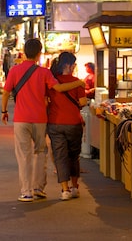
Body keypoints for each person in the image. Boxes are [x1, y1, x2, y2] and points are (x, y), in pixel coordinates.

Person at [1, 38, 85, 202]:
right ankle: (38, 188)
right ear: (39, 54)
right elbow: (59, 88)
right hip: (40, 119)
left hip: (21, 120)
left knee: (23, 156)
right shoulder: (44, 73)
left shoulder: (14, 71)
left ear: (24, 53)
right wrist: (79, 83)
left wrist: (4, 111)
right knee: (40, 153)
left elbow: (6, 93)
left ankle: (26, 192)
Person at [47, 52, 87, 200]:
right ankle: (75, 187)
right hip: (74, 124)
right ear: (69, 65)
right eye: (74, 64)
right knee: (73, 156)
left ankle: (65, 190)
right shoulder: (77, 82)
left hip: (55, 123)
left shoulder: (52, 81)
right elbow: (82, 102)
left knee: (60, 156)